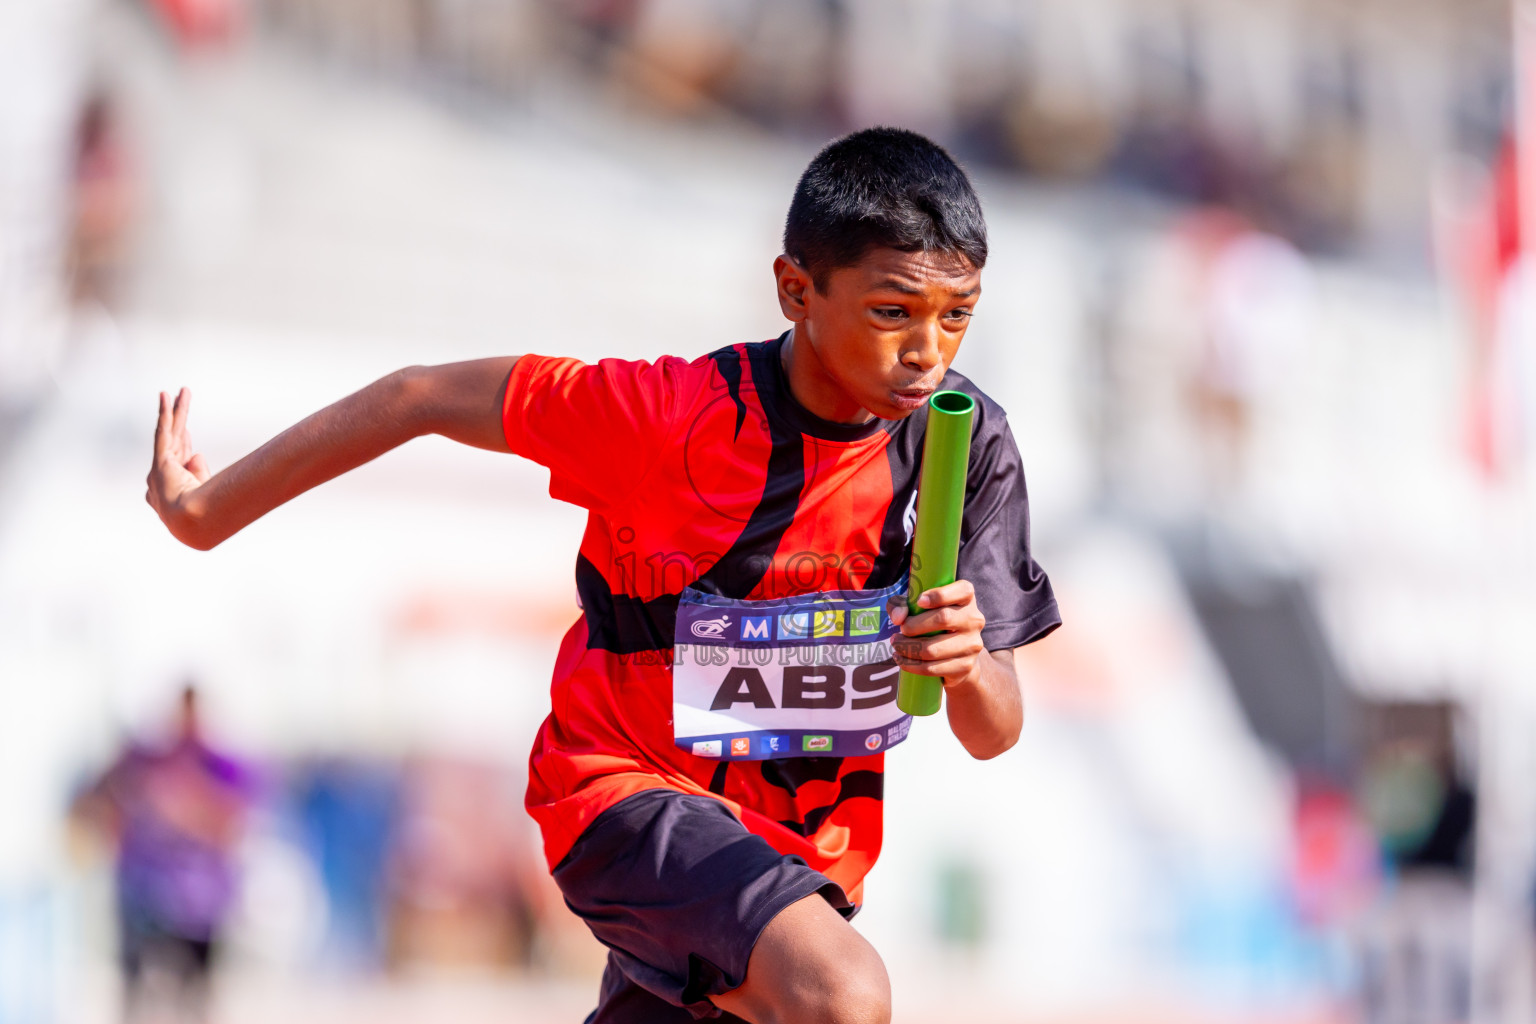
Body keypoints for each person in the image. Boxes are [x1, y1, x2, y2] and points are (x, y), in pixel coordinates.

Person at [145, 127, 1060, 1023]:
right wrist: (207, 511)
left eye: (958, 316)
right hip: (622, 794)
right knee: (842, 995)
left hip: (806, 856)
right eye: (893, 312)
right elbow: (417, 396)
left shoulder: (967, 445)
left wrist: (966, 662)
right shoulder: (667, 416)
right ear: (795, 289)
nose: (928, 351)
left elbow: (993, 729)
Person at [73, 686, 252, 1024]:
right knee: (136, 992)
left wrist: (183, 805)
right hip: (143, 897)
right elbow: (95, 804)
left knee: (194, 996)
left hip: (199, 904)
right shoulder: (143, 762)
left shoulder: (220, 766)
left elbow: (233, 825)